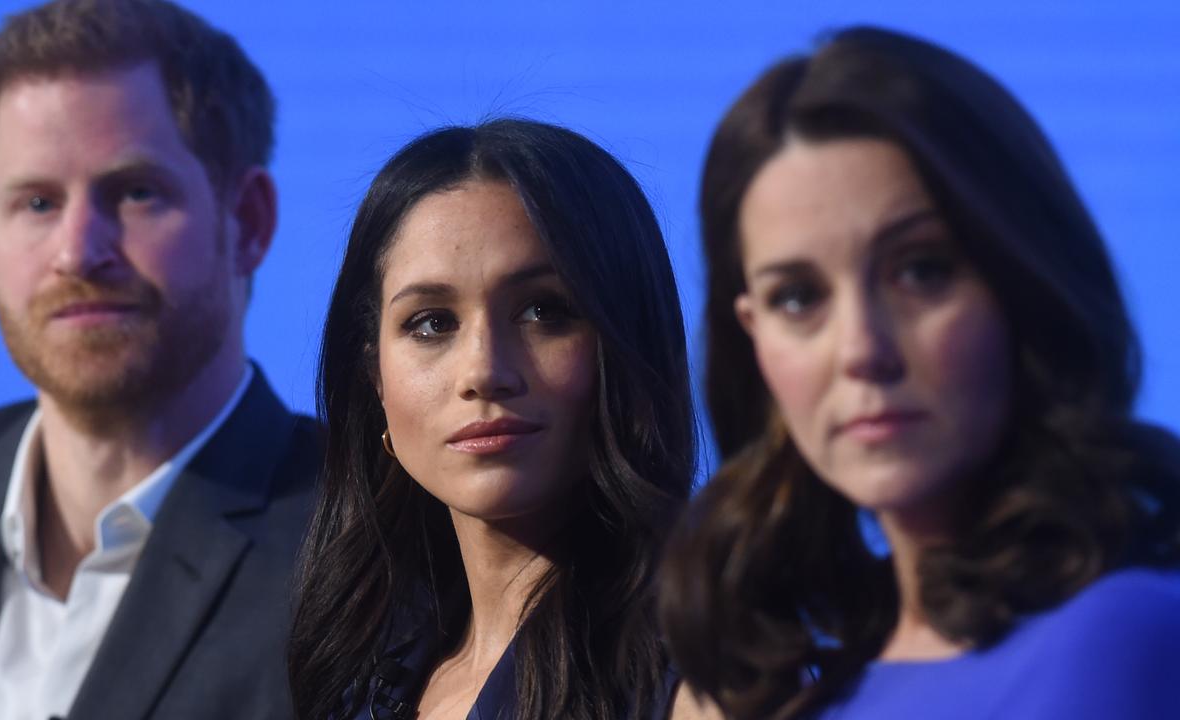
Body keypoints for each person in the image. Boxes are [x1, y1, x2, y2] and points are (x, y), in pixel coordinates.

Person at [657, 25, 1180, 720]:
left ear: (1023, 280)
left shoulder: (1117, 641)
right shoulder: (791, 683)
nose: (862, 350)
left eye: (921, 271)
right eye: (799, 297)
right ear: (752, 335)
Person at [0, 1, 318, 718]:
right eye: (36, 203)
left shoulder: (367, 549)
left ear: (248, 222)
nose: (77, 253)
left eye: (135, 192)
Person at [287, 119, 707, 719]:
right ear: (374, 378)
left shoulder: (703, 674)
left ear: (628, 342)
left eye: (543, 311)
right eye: (432, 322)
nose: (483, 371)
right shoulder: (363, 681)